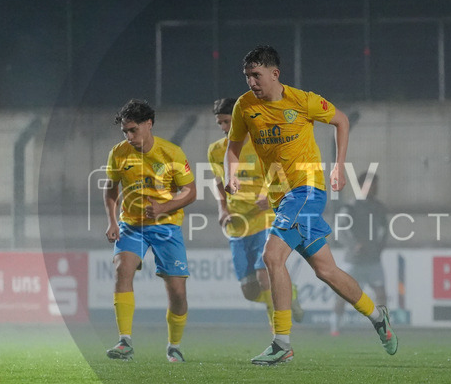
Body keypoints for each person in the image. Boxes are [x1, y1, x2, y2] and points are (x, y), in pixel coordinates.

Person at [224, 45, 397, 365]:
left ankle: (282, 343)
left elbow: (342, 121)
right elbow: (233, 148)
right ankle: (378, 318)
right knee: (327, 271)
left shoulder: (303, 101)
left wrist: (337, 166)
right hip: (282, 199)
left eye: (257, 75)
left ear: (275, 74)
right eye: (247, 76)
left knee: (271, 255)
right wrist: (230, 174)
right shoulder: (244, 107)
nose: (251, 82)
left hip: (307, 190)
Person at [103, 99, 196, 362]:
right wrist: (112, 221)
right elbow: (110, 189)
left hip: (166, 227)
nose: (129, 136)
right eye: (125, 131)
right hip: (131, 226)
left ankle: (174, 345)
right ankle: (125, 342)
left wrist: (164, 208)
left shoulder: (172, 153)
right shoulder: (119, 153)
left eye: (133, 130)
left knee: (177, 293)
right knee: (122, 269)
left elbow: (191, 192)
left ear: (148, 124)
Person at [207, 96, 302, 334]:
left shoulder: (263, 144)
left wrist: (269, 197)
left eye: (227, 121)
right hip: (238, 225)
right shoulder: (216, 150)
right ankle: (290, 296)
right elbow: (219, 182)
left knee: (264, 276)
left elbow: (282, 178)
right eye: (220, 123)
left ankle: (279, 337)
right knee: (249, 291)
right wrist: (222, 208)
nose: (224, 128)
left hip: (264, 219)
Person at [332, 171, 388, 336]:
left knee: (381, 295)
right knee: (343, 294)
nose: (375, 188)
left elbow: (384, 230)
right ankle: (335, 327)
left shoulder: (379, 207)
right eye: (372, 185)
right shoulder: (350, 206)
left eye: (376, 185)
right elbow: (339, 229)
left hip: (373, 260)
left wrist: (380, 246)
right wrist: (353, 245)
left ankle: (384, 328)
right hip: (353, 260)